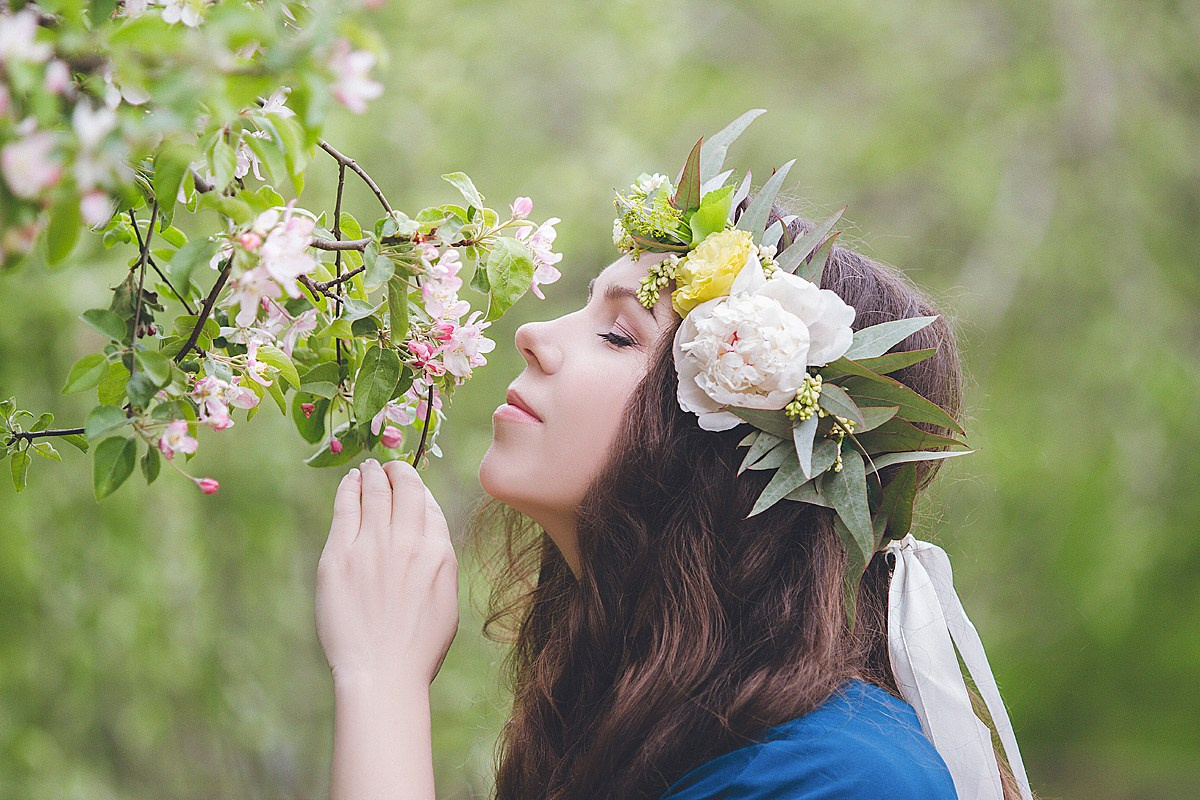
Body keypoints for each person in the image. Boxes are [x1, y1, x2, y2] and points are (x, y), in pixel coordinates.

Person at [315, 127, 1035, 800]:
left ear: (728, 444)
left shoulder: (837, 777)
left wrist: (382, 684)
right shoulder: (629, 728)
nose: (534, 333)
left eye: (619, 336)